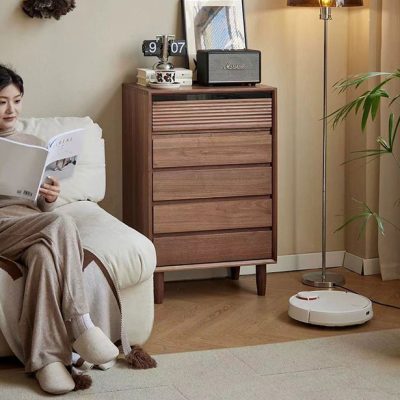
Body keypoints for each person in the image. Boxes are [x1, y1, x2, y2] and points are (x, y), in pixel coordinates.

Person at [0, 64, 119, 394]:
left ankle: (47, 361)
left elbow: (41, 208)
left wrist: (49, 198)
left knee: (42, 254)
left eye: (17, 100)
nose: (12, 110)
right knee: (62, 223)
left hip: (31, 225)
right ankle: (81, 322)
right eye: (2, 102)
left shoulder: (34, 143)